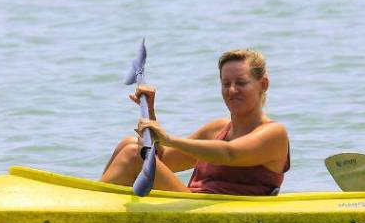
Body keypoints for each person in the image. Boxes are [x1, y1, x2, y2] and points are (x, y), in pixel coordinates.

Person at [100, 49, 290, 195]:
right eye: (226, 84)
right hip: (192, 202)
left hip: (222, 214)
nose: (232, 90)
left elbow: (230, 153)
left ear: (263, 85)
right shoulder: (216, 129)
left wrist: (169, 139)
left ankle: (91, 209)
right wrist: (149, 112)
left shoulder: (274, 134)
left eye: (241, 83)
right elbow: (164, 160)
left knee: (135, 154)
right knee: (131, 143)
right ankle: (93, 206)